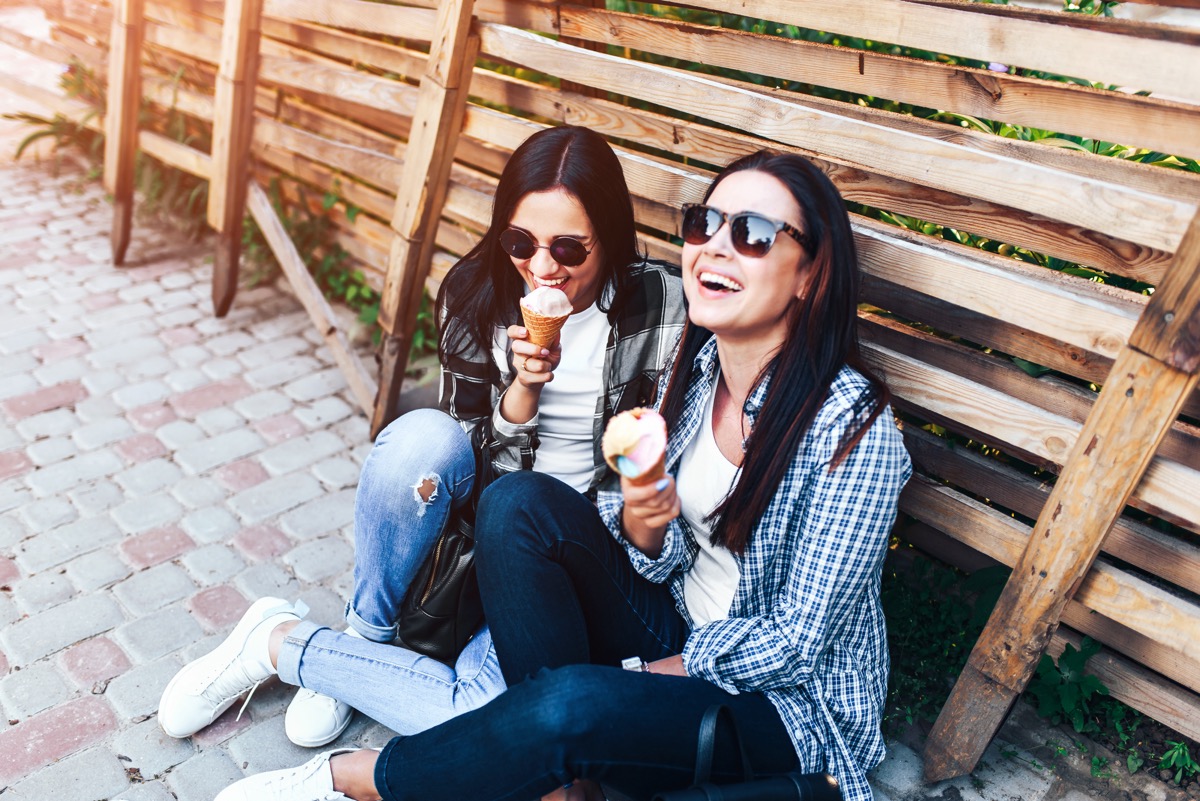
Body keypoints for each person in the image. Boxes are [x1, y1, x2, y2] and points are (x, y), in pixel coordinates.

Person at [181, 149, 911, 801]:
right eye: (704, 223)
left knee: (564, 707)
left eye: (751, 234)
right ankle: (561, 771)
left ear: (810, 274)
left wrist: (641, 673)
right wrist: (644, 530)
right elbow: (667, 555)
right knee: (515, 505)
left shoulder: (853, 430)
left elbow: (797, 641)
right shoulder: (693, 370)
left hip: (779, 702)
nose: (715, 247)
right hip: (674, 623)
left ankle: (354, 780)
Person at [154, 125, 685, 747]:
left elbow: (654, 454)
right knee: (420, 441)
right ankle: (366, 633)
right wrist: (524, 393)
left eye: (569, 249)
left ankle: (282, 646)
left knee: (503, 728)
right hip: (483, 521)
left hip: (569, 551)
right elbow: (468, 459)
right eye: (520, 240)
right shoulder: (473, 294)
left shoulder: (664, 305)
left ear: (611, 238)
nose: (541, 267)